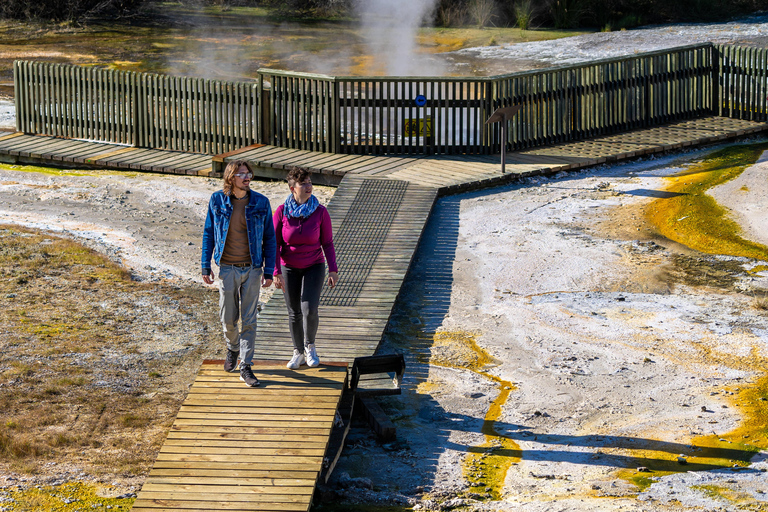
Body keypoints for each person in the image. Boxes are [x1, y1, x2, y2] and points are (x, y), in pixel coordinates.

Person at [201, 160, 276, 387]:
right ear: (230, 177)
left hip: (252, 269)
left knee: (250, 319)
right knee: (228, 319)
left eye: (248, 174)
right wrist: (205, 265)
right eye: (241, 174)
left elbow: (270, 239)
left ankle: (246, 364)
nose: (247, 178)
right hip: (227, 269)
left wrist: (269, 270)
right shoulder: (217, 200)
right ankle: (233, 347)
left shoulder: (261, 203)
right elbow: (208, 233)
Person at [273, 167, 338, 370]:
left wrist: (333, 269)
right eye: (304, 183)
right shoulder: (282, 211)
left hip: (314, 265)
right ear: (293, 188)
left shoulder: (320, 212)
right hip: (288, 266)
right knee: (293, 312)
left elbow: (327, 243)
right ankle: (298, 352)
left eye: (310, 182)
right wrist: (275, 272)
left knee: (309, 308)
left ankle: (310, 346)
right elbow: (274, 244)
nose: (309, 186)